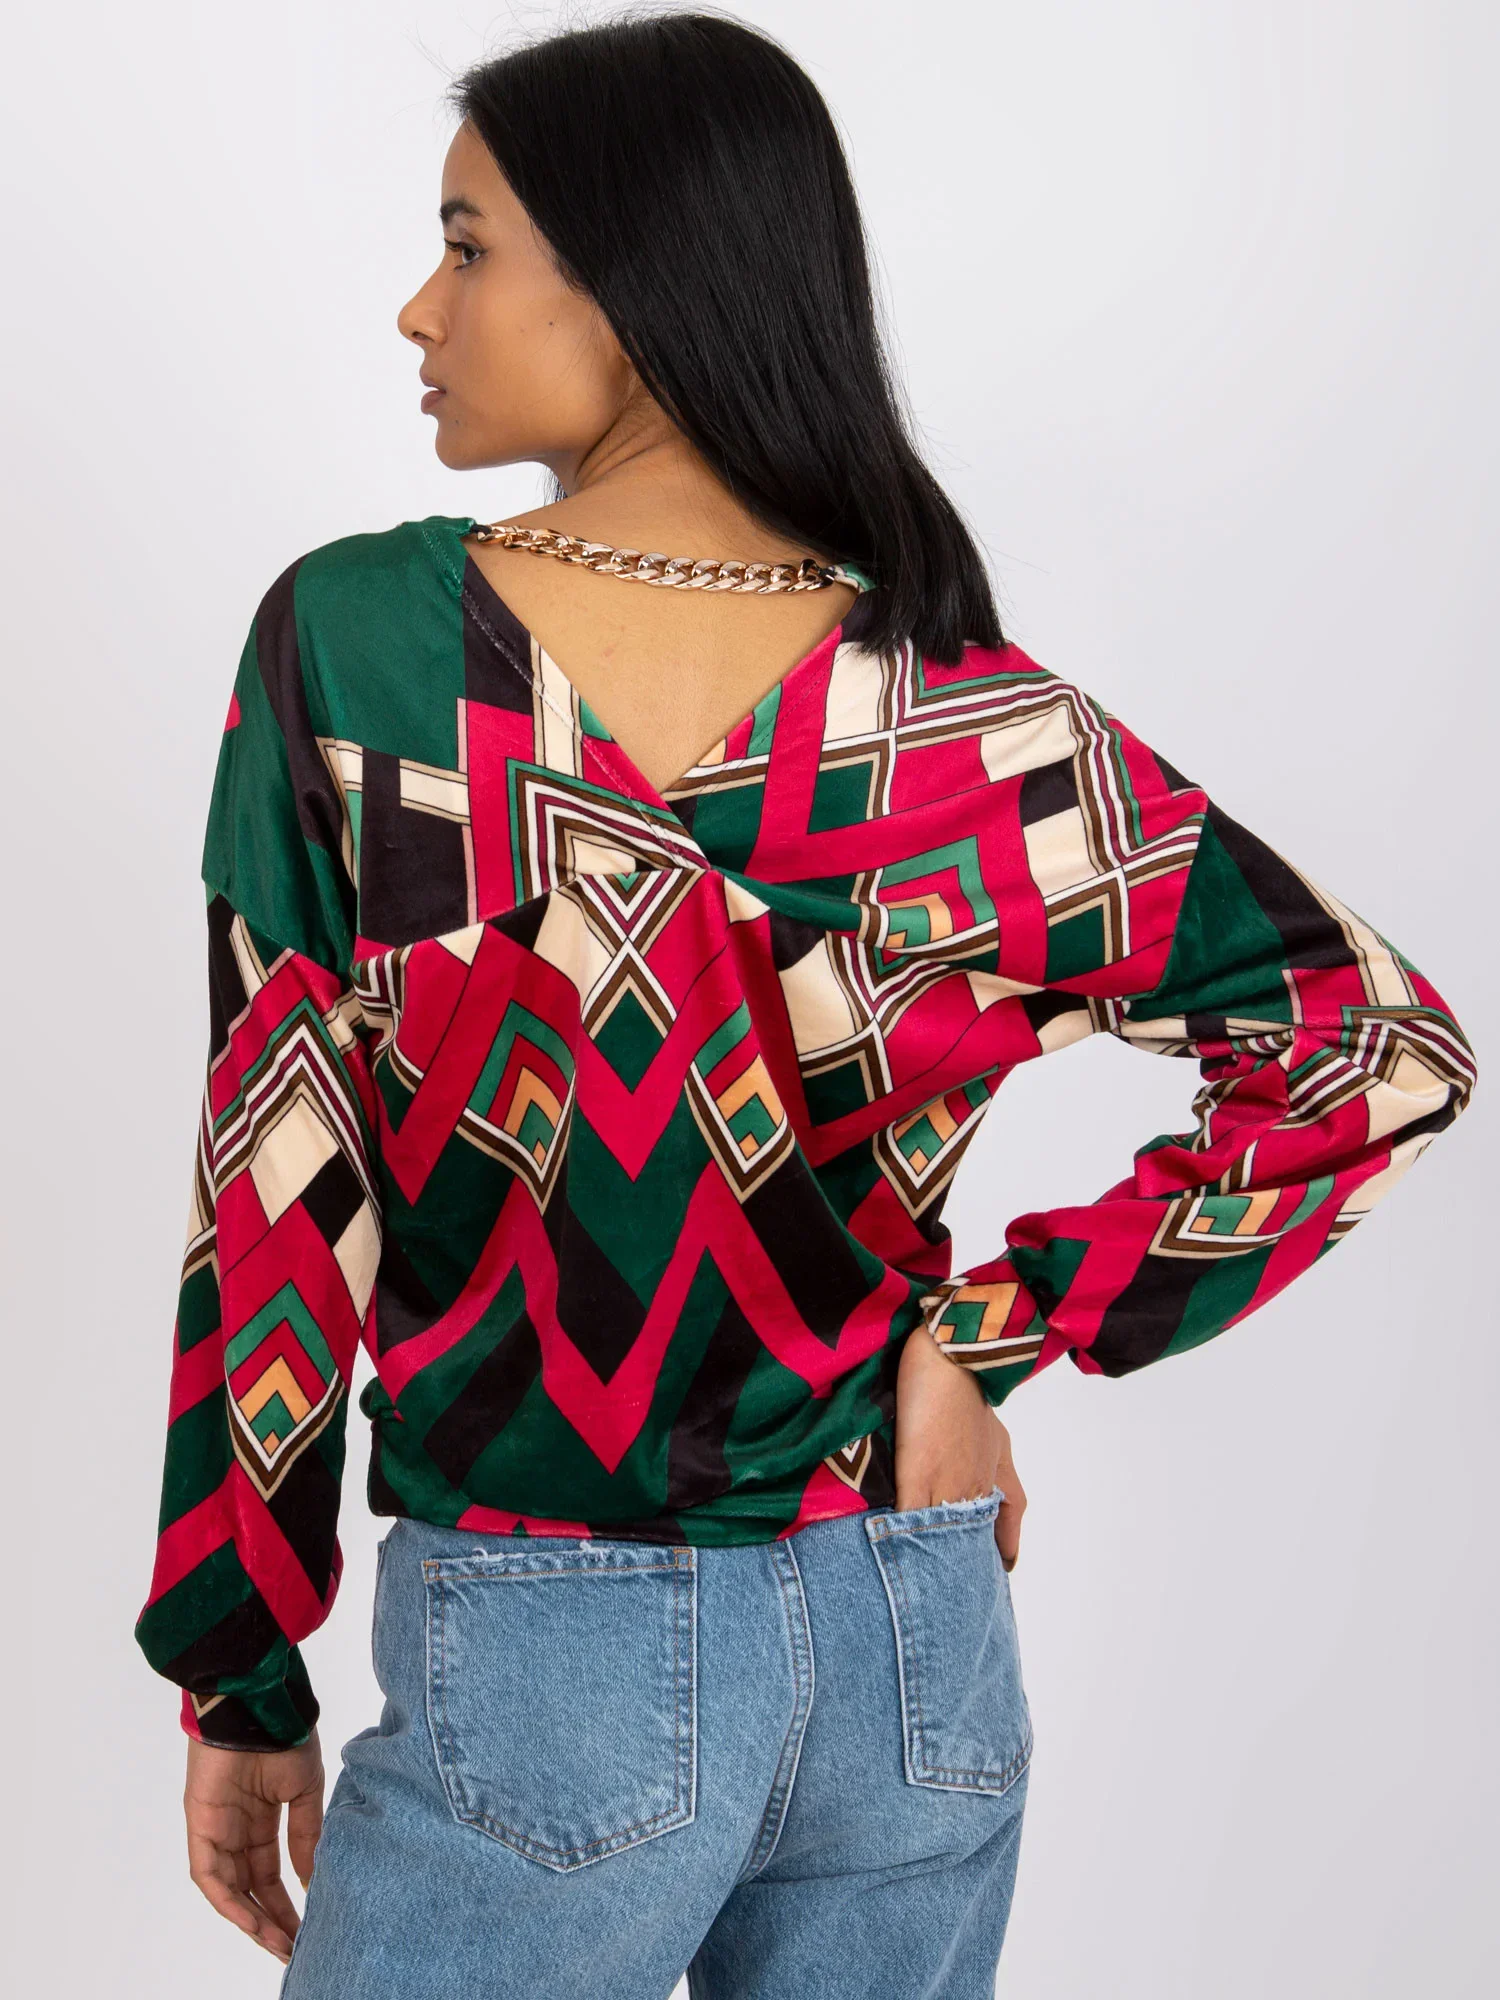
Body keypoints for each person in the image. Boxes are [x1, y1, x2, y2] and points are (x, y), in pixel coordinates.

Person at [132, 12, 1478, 1997]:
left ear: (636, 278)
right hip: (911, 1655)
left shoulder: (364, 653)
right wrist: (987, 1342)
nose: (421, 306)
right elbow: (1379, 1053)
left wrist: (238, 1667)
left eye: (469, 245)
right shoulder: (978, 733)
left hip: (549, 1672)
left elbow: (273, 1200)